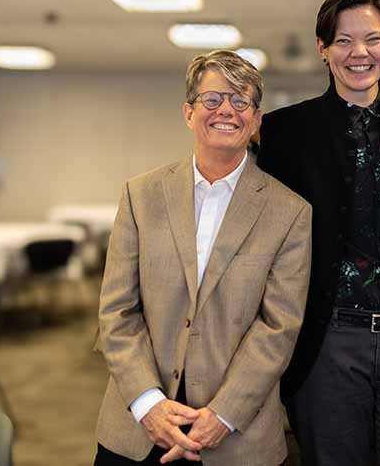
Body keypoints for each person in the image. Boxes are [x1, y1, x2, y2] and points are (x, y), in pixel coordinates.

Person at [257, 0, 380, 465]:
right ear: (322, 49)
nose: (358, 53)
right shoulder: (286, 133)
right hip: (327, 344)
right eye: (343, 41)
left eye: (371, 38)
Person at [94, 50, 312, 466]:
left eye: (240, 101)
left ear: (256, 119)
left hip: (237, 437)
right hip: (137, 429)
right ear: (189, 113)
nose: (226, 110)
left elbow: (278, 327)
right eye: (212, 99)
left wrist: (224, 413)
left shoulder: (291, 212)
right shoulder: (140, 196)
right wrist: (147, 403)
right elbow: (117, 311)